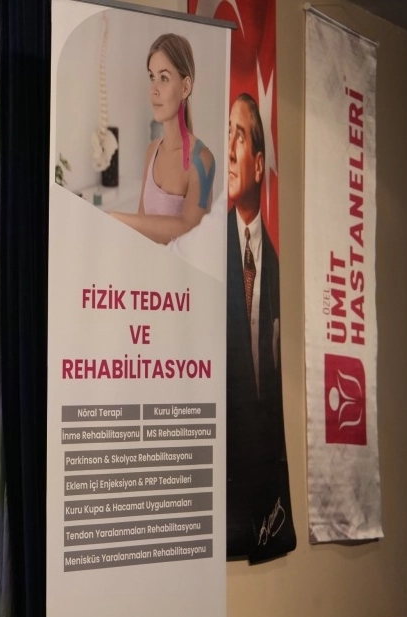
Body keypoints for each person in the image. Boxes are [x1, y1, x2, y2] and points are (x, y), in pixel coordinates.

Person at [225, 93, 295, 562]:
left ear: (257, 164)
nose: (230, 150)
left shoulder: (274, 265)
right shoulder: (207, 252)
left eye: (240, 136)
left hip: (263, 489)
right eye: (227, 134)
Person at [108, 33, 215, 244]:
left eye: (164, 78)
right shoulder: (152, 151)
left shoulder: (202, 160)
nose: (153, 90)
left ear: (185, 87)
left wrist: (116, 218)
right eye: (152, 77)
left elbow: (189, 229)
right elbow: (141, 227)